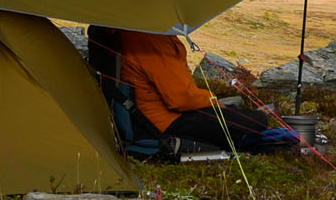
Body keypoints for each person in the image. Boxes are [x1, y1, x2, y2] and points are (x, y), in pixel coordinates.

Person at [116, 29, 273, 154]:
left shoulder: (135, 32)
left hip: (149, 117)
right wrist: (211, 100)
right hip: (166, 122)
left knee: (234, 113)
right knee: (257, 121)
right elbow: (181, 99)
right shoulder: (149, 38)